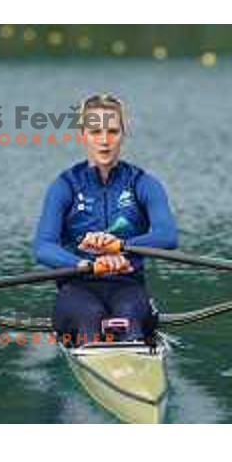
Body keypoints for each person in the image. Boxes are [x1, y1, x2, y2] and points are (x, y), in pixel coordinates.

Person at [33, 93, 177, 346]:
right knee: (90, 320)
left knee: (130, 321)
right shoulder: (64, 186)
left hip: (127, 287)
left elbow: (168, 236)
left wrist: (120, 246)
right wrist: (82, 264)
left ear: (123, 133)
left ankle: (133, 364)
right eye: (95, 131)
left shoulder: (143, 183)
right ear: (83, 136)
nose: (104, 141)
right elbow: (43, 247)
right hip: (78, 288)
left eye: (112, 131)